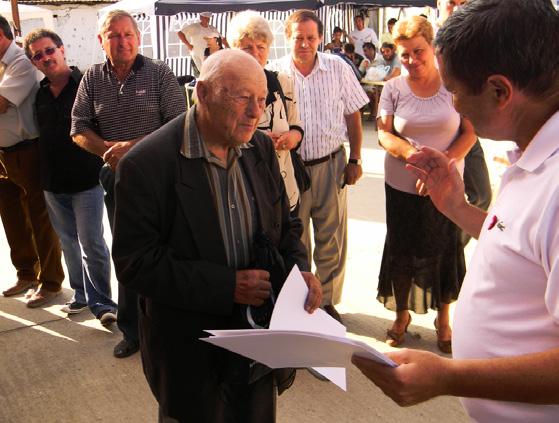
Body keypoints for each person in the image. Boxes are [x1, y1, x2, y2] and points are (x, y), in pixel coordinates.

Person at [353, 1, 559, 421]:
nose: (452, 102)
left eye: (456, 90)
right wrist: (459, 208)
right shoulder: (532, 153)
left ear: (500, 91)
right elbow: (523, 244)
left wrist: (450, 377)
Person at [111, 49, 322, 423]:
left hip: (258, 338)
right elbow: (135, 264)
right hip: (189, 346)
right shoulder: (145, 165)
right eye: (242, 98)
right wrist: (226, 286)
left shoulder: (259, 148)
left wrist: (300, 272)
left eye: (261, 99)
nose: (256, 112)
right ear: (202, 93)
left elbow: (285, 225)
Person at [71, 10, 186, 358]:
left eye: (128, 34)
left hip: (161, 179)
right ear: (101, 40)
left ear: (139, 38)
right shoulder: (91, 77)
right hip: (115, 177)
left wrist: (132, 149)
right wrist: (108, 151)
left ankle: (169, 329)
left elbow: (180, 124)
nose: (122, 41)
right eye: (113, 34)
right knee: (128, 254)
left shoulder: (160, 73)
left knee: (168, 252)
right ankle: (132, 330)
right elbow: (78, 128)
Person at [375, 16, 476, 353]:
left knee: (444, 252)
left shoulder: (455, 85)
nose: (411, 61)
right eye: (403, 55)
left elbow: (470, 132)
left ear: (432, 48)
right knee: (402, 252)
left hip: (446, 188)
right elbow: (384, 133)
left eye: (418, 52)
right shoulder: (392, 88)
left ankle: (444, 320)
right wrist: (414, 157)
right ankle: (402, 315)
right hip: (402, 187)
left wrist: (442, 165)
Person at [272, 10, 369, 323]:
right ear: (288, 38)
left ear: (320, 39)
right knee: (296, 239)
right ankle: (302, 301)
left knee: (332, 237)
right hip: (291, 169)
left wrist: (355, 159)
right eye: (298, 37)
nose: (304, 44)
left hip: (330, 164)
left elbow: (353, 114)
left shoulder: (338, 67)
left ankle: (326, 302)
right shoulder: (275, 73)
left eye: (310, 37)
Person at [23, 29, 117, 324]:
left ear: (62, 49)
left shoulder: (86, 85)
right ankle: (81, 295)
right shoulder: (38, 94)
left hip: (86, 181)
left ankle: (103, 303)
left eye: (49, 50)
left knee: (92, 243)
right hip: (52, 183)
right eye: (37, 55)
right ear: (34, 62)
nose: (45, 58)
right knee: (67, 242)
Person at [0, 15, 64, 307]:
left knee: (40, 217)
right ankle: (26, 273)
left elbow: (1, 103)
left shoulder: (21, 61)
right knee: (12, 218)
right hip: (4, 154)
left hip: (27, 151)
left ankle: (50, 283)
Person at [227, 10, 305, 213]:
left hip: (285, 187)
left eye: (261, 47)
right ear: (234, 49)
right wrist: (257, 140)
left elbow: (297, 127)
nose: (255, 53)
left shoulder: (282, 81)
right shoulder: (224, 88)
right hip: (244, 189)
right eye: (247, 48)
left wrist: (291, 138)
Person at [177, 12, 228, 77]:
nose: (207, 20)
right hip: (196, 54)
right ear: (201, 18)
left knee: (208, 73)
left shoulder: (212, 28)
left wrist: (228, 46)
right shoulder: (194, 26)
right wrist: (188, 45)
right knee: (200, 74)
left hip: (207, 54)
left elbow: (222, 38)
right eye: (205, 18)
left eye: (208, 18)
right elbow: (180, 33)